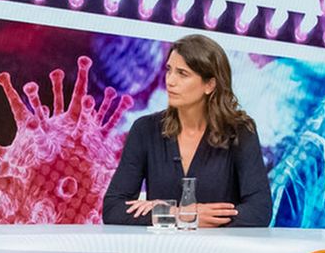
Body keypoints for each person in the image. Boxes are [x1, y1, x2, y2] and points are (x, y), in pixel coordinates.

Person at [102, 34, 271, 227]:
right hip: (163, 246)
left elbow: (260, 211)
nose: (170, 81)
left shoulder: (240, 132)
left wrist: (195, 218)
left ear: (210, 85)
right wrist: (177, 215)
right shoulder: (145, 129)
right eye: (169, 70)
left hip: (220, 246)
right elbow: (113, 209)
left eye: (182, 73)